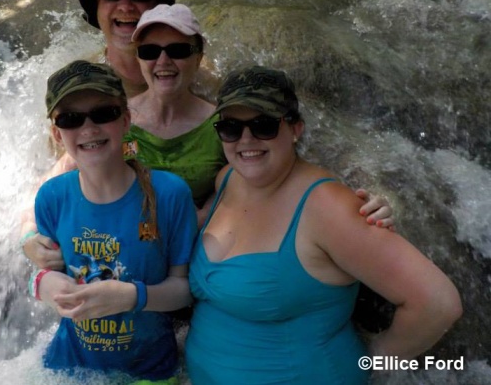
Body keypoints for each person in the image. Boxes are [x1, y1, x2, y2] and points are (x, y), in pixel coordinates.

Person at [21, 0, 393, 268]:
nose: (126, 4)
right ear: (98, 8)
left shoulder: (202, 82)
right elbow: (60, 170)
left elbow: (270, 137)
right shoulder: (82, 88)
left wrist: (360, 195)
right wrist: (28, 231)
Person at [184, 65, 463, 384]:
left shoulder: (327, 207)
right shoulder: (228, 179)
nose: (246, 139)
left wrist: (379, 361)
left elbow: (437, 303)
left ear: (295, 129)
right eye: (231, 127)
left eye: (263, 125)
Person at [32, 60, 197, 382]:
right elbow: (45, 271)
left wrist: (132, 297)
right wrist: (40, 284)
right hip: (68, 369)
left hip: (149, 370)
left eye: (103, 114)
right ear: (56, 133)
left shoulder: (169, 194)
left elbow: (186, 289)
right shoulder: (51, 197)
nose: (88, 128)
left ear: (125, 120)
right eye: (70, 119)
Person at [126, 3, 225, 224]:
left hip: (197, 243)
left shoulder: (222, 124)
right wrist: (29, 230)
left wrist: (205, 214)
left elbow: (240, 182)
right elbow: (72, 173)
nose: (163, 61)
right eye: (150, 51)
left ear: (198, 58)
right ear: (138, 58)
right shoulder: (113, 119)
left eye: (178, 50)